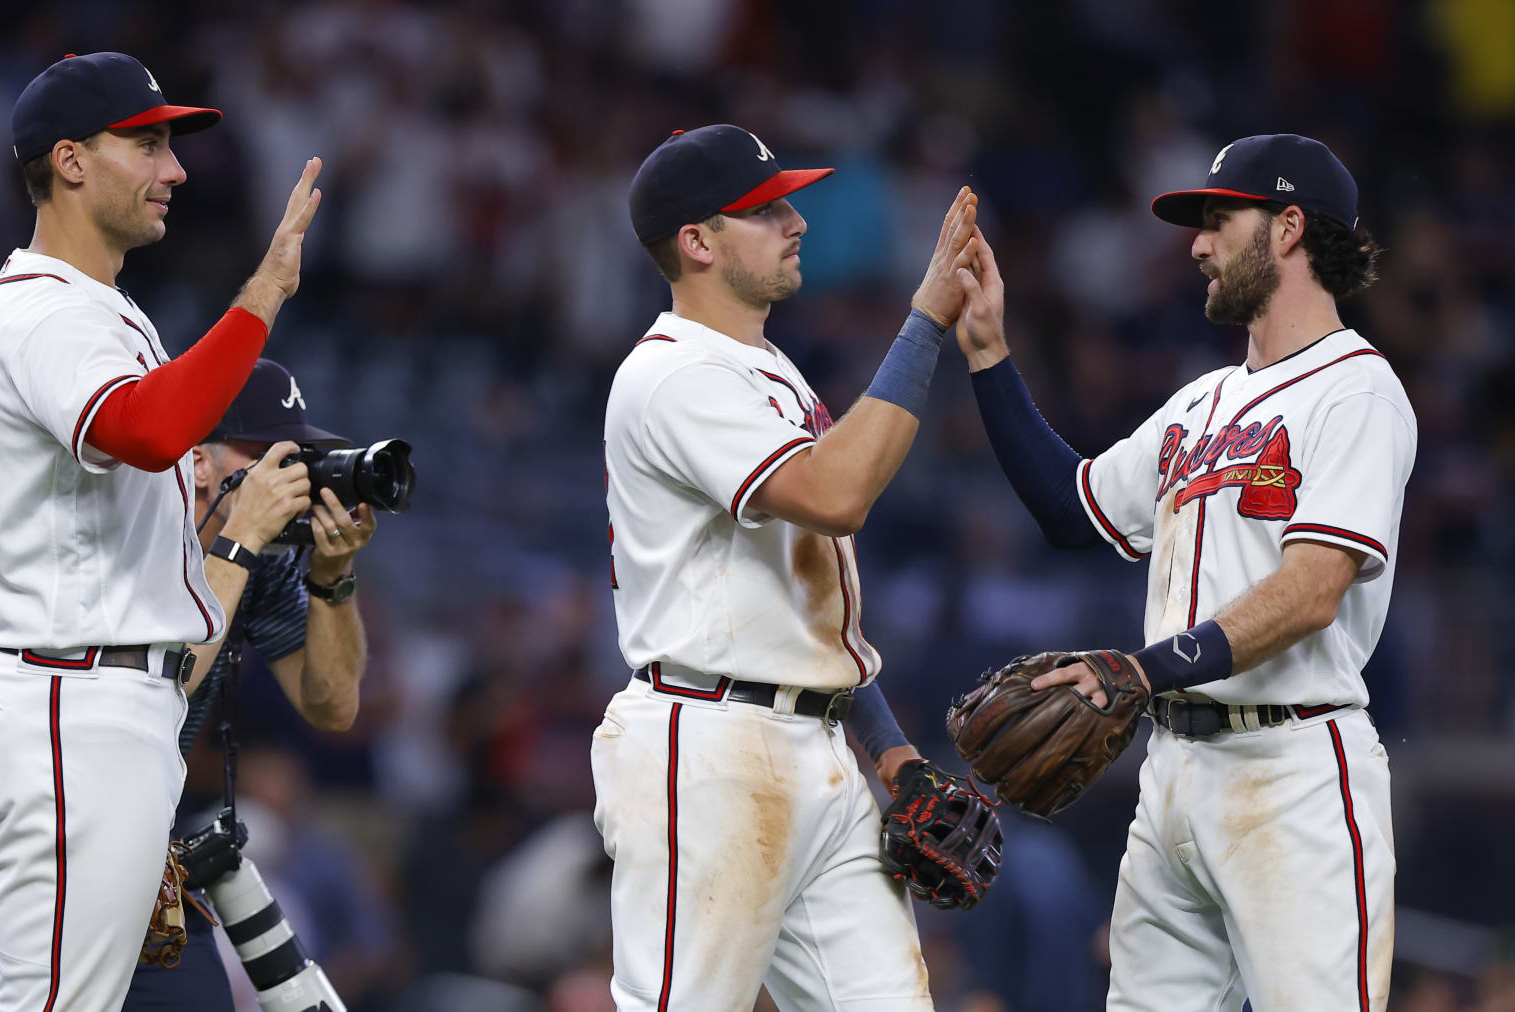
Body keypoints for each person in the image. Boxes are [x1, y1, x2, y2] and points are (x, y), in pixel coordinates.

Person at [954, 134, 1411, 1010]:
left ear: (1287, 228)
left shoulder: (1357, 391)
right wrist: (988, 352)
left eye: (1219, 219)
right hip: (1173, 772)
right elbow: (1068, 507)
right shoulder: (1199, 403)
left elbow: (1312, 590)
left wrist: (1141, 669)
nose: (1198, 244)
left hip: (1294, 770)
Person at [0, 51, 323, 1011]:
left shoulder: (83, 305)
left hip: (97, 700)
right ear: (69, 161)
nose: (176, 170)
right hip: (72, 704)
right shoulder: (47, 311)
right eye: (146, 144)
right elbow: (149, 431)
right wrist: (267, 289)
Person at [594, 123, 980, 1011]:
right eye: (764, 210)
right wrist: (924, 323)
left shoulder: (767, 368)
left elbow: (805, 607)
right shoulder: (674, 375)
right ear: (697, 242)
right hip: (710, 740)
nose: (797, 220)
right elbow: (836, 494)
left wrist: (891, 753)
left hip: (818, 742)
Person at [0, 357, 374, 1010]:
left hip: (132, 832)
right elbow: (155, 687)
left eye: (297, 456)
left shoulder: (261, 566)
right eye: (263, 453)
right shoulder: (109, 526)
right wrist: (242, 536)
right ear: (193, 459)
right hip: (6, 826)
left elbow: (333, 706)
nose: (288, 476)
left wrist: (333, 577)